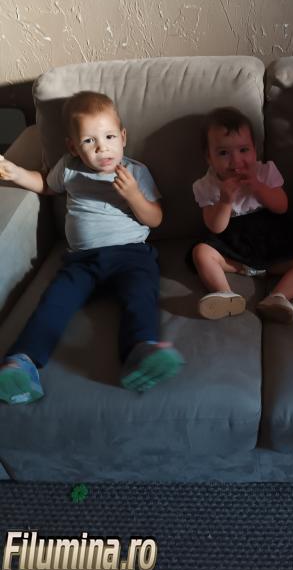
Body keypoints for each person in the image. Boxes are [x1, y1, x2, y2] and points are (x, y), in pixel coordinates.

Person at [0, 91, 184, 405]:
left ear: (123, 137)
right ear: (73, 147)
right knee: (54, 303)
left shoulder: (135, 172)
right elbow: (46, 185)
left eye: (109, 137)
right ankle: (21, 363)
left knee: (140, 294)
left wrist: (134, 196)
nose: (102, 148)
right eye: (89, 141)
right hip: (81, 261)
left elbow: (155, 218)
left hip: (130, 255)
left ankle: (141, 350)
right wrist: (16, 173)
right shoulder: (69, 168)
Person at [191, 107, 293, 323]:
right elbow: (215, 226)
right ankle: (225, 294)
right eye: (223, 153)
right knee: (201, 253)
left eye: (243, 150)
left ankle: (278, 297)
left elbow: (282, 206)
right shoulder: (206, 185)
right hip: (232, 249)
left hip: (273, 243)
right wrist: (225, 202)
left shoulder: (265, 171)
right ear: (209, 157)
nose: (235, 160)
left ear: (255, 150)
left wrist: (259, 187)